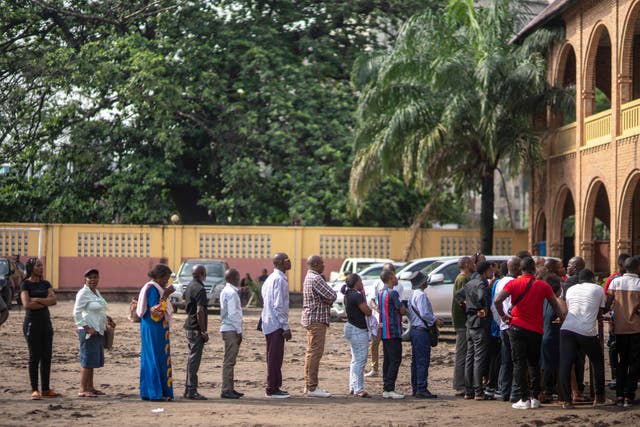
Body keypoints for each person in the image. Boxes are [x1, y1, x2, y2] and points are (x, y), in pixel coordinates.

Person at [494, 256, 563, 410]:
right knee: (534, 363)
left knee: (519, 364)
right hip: (536, 330)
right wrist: (562, 319)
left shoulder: (514, 283)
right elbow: (555, 304)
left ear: (520, 269)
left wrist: (504, 317)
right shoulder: (543, 286)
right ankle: (535, 398)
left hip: (517, 327)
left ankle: (524, 399)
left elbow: (497, 300)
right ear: (534, 269)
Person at [559, 269, 607, 409]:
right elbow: (600, 311)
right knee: (597, 361)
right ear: (592, 279)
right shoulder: (598, 289)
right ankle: (599, 397)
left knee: (565, 364)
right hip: (586, 331)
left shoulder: (571, 289)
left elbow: (569, 307)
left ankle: (567, 400)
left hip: (567, 328)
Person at [20, 257, 59, 400]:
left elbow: (54, 300)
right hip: (32, 323)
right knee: (34, 356)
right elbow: (27, 305)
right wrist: (45, 302)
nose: (41, 268)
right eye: (38, 266)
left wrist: (37, 299)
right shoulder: (25, 285)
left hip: (45, 323)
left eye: (41, 265)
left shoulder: (46, 283)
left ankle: (46, 389)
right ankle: (35, 389)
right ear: (31, 268)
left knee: (47, 356)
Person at [73, 268, 115, 398]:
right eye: (90, 278)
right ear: (85, 279)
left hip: (98, 330)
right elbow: (76, 313)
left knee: (92, 360)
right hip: (88, 332)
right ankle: (82, 389)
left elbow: (99, 309)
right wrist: (86, 327)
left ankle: (90, 387)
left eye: (95, 277)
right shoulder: (83, 293)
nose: (93, 280)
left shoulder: (96, 292)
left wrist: (108, 319)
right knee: (86, 360)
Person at [455, 261, 494, 400]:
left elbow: (458, 295)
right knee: (478, 358)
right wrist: (481, 308)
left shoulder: (470, 283)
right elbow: (482, 296)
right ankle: (478, 391)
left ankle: (469, 391)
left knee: (470, 357)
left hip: (469, 324)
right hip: (479, 324)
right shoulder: (481, 284)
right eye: (491, 270)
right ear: (485, 271)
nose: (493, 272)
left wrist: (466, 305)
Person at [136, 264, 175, 401]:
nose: (166, 282)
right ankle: (156, 393)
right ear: (158, 277)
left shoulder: (152, 287)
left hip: (154, 328)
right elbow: (155, 311)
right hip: (154, 327)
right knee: (155, 358)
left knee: (152, 357)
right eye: (165, 279)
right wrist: (166, 294)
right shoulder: (153, 289)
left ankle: (150, 392)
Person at [606, 256, 640, 407]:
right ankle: (629, 395)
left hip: (619, 329)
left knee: (621, 363)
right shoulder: (639, 283)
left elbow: (607, 305)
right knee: (635, 363)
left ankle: (619, 395)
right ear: (637, 268)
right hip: (636, 329)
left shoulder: (615, 282)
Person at [301, 255, 337, 397]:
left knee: (310, 353)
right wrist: (326, 300)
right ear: (315, 264)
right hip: (317, 320)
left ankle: (308, 385)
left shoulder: (308, 277)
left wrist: (326, 299)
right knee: (315, 353)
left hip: (311, 318)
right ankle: (312, 387)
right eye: (322, 263)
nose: (324, 265)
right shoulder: (316, 278)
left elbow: (328, 297)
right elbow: (332, 295)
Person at [261, 253, 293, 398]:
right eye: (287, 260)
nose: (290, 262)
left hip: (268, 322)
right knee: (275, 357)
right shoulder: (279, 280)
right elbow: (278, 306)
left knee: (272, 356)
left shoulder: (270, 279)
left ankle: (274, 386)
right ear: (280, 262)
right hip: (276, 324)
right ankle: (272, 388)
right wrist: (285, 327)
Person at [490, 256, 521, 402]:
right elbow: (509, 305)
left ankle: (504, 391)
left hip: (503, 325)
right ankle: (512, 392)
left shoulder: (499, 282)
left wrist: (501, 320)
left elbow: (495, 305)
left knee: (506, 359)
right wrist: (507, 319)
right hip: (511, 324)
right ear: (515, 267)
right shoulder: (513, 282)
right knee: (514, 359)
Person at [408, 272, 443, 399]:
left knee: (416, 361)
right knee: (422, 361)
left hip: (415, 330)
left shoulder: (413, 295)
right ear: (422, 283)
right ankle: (421, 388)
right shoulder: (421, 295)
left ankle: (416, 387)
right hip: (421, 331)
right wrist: (435, 320)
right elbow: (425, 314)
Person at [378, 269, 407, 399]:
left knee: (388, 360)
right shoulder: (393, 293)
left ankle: (386, 387)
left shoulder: (381, 293)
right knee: (395, 359)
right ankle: (389, 388)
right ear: (390, 278)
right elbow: (402, 310)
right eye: (394, 276)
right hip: (394, 331)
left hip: (385, 331)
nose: (396, 279)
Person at [342, 273, 373, 398]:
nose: (362, 283)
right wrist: (363, 295)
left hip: (350, 327)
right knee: (360, 360)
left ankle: (353, 386)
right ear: (356, 282)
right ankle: (358, 389)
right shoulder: (357, 296)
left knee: (355, 359)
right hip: (359, 329)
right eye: (361, 281)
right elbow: (368, 311)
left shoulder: (347, 295)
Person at [603, 253, 631, 390]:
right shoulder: (614, 279)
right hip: (631, 323)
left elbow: (606, 302)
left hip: (616, 322)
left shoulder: (613, 280)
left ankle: (616, 378)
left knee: (615, 349)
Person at [562, 256, 587, 402]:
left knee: (571, 359)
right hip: (585, 324)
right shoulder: (588, 281)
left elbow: (566, 302)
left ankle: (573, 391)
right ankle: (580, 387)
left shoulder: (570, 282)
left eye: (569, 265)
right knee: (580, 358)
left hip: (571, 322)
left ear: (576, 268)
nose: (567, 267)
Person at [182, 264, 209, 400]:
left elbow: (184, 300)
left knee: (191, 359)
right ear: (202, 274)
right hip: (196, 328)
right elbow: (200, 311)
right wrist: (203, 331)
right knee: (194, 360)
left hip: (189, 326)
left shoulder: (189, 286)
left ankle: (188, 389)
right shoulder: (200, 288)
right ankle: (191, 390)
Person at [365, 262, 396, 378]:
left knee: (389, 346)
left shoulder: (398, 286)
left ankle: (388, 370)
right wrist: (377, 308)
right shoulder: (377, 284)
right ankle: (374, 368)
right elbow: (372, 299)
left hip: (391, 322)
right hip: (379, 320)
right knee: (374, 344)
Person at [220, 268, 244, 399]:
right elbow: (233, 313)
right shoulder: (232, 293)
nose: (239, 279)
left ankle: (230, 387)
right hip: (231, 329)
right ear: (234, 278)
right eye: (238, 277)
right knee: (229, 361)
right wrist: (239, 332)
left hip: (227, 327)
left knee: (230, 360)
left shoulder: (226, 291)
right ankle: (226, 389)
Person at [452, 256, 474, 396]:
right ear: (466, 264)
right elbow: (462, 300)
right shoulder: (463, 279)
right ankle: (460, 385)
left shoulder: (464, 278)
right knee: (462, 354)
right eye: (472, 263)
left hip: (463, 321)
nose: (474, 265)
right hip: (462, 322)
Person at [540, 275, 562, 404]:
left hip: (543, 335)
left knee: (544, 366)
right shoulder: (556, 301)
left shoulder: (543, 301)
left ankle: (542, 392)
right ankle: (558, 394)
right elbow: (563, 314)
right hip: (552, 337)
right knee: (555, 366)